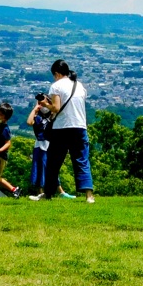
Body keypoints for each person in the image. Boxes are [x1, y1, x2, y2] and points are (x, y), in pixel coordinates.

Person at [42, 59, 95, 203]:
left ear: (57, 73)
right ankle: (89, 195)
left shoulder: (56, 86)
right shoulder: (79, 85)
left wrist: (45, 104)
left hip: (62, 128)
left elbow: (56, 108)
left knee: (54, 161)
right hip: (80, 126)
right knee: (82, 160)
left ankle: (48, 194)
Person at [26, 94, 75, 201]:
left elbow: (57, 111)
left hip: (50, 144)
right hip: (39, 145)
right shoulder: (38, 117)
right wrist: (35, 109)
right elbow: (29, 122)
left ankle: (60, 191)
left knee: (51, 169)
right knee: (39, 169)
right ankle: (41, 193)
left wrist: (49, 104)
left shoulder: (52, 115)